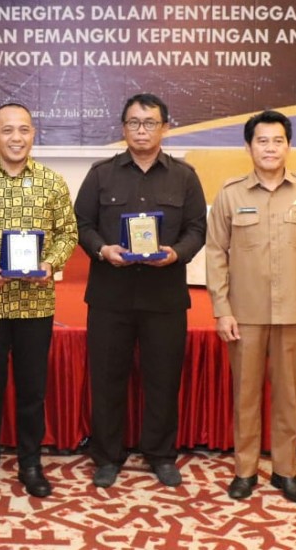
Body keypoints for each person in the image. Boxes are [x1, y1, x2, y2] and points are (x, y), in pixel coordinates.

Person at [74, 93, 206, 489]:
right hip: (110, 296)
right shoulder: (101, 174)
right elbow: (81, 224)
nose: (142, 130)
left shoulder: (184, 176)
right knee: (107, 379)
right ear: (123, 128)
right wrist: (103, 249)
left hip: (164, 297)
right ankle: (107, 455)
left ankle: (161, 454)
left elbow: (197, 229)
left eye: (150, 123)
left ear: (165, 127)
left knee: (163, 380)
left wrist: (176, 253)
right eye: (134, 122)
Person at [205, 110, 296, 503]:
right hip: (244, 315)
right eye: (262, 141)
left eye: (278, 141)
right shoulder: (231, 193)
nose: (270, 148)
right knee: (246, 396)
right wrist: (222, 309)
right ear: (248, 147)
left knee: (288, 396)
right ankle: (245, 470)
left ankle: (285, 470)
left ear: (289, 145)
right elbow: (216, 254)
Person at [0, 102, 78, 499]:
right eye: (7, 130)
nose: (16, 138)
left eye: (23, 129)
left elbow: (68, 234)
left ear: (33, 134)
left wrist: (50, 263)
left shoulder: (52, 183)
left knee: (32, 391)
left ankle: (30, 464)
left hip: (35, 305)